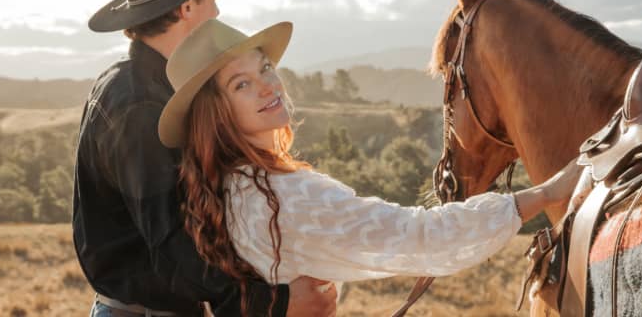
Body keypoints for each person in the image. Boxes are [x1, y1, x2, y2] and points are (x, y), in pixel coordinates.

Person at [156, 18, 582, 308]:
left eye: (265, 68)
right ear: (218, 114)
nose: (268, 85)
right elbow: (422, 236)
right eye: (242, 84)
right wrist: (548, 191)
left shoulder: (230, 186)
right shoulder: (284, 195)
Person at [73, 0, 336, 317]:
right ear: (187, 7)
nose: (217, 10)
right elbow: (171, 242)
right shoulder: (137, 106)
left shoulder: (165, 87)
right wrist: (273, 304)